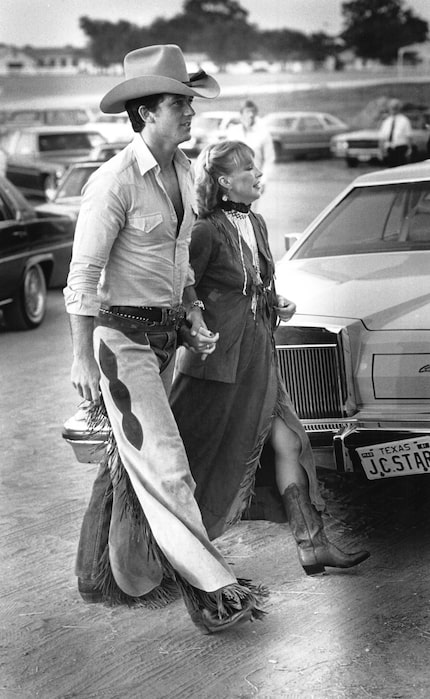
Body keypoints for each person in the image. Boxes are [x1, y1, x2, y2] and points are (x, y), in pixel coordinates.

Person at [63, 45, 267, 634]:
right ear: (145, 112)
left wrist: (193, 315)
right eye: (179, 102)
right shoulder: (114, 182)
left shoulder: (182, 172)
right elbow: (82, 278)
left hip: (163, 338)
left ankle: (113, 572)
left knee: (136, 464)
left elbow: (178, 266)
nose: (190, 111)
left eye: (189, 101)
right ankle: (213, 592)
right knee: (168, 465)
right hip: (119, 341)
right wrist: (80, 357)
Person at [170, 140, 370, 575]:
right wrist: (196, 322)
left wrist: (278, 301)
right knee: (197, 459)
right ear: (225, 181)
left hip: (260, 355)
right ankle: (175, 555)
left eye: (257, 169)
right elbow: (183, 289)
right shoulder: (205, 230)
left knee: (291, 443)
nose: (258, 176)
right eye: (249, 170)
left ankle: (312, 544)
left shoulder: (256, 222)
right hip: (219, 367)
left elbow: (255, 283)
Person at [225, 99, 275, 208]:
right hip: (235, 179)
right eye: (248, 112)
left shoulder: (263, 134)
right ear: (241, 114)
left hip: (254, 180)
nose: (251, 115)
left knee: (250, 212)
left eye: (253, 112)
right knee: (233, 212)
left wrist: (264, 180)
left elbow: (269, 159)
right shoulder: (233, 132)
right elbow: (226, 155)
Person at [378, 99, 412, 168]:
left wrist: (410, 149)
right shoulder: (386, 122)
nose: (394, 109)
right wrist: (380, 151)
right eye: (392, 107)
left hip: (401, 150)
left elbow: (409, 136)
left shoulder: (404, 121)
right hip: (390, 150)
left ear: (399, 108)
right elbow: (382, 138)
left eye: (395, 107)